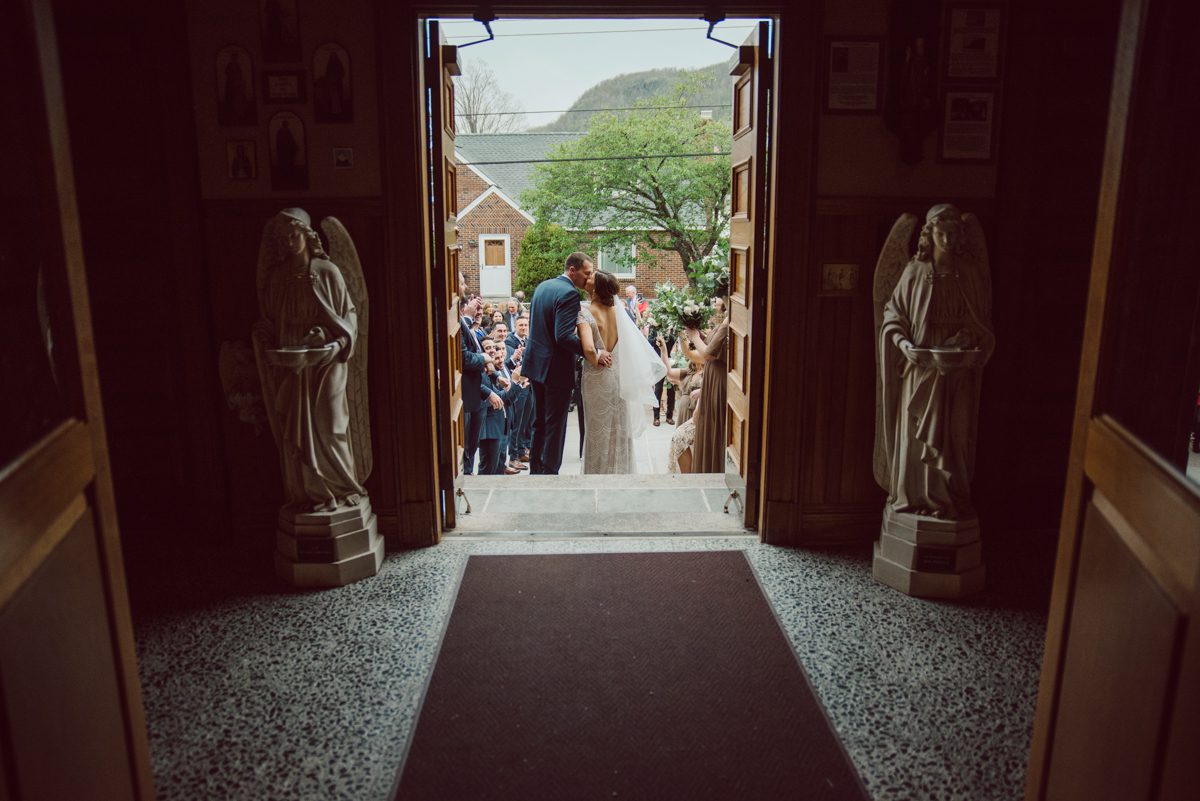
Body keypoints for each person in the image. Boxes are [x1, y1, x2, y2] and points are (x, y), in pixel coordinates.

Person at [878, 204, 994, 519]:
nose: (945, 238)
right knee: (917, 438)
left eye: (952, 233)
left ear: (959, 236)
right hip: (920, 369)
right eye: (939, 232)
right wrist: (904, 345)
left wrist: (966, 340)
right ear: (929, 235)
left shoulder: (968, 274)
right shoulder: (914, 272)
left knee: (956, 436)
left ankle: (948, 502)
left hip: (958, 373)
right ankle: (915, 501)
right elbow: (893, 316)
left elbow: (980, 325)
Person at [252, 208, 363, 511]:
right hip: (292, 361)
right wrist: (263, 336)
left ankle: (341, 488)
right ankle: (308, 494)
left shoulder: (327, 272)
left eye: (294, 234)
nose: (289, 242)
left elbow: (348, 315)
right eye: (284, 237)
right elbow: (271, 321)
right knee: (295, 430)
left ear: (306, 234)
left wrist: (334, 340)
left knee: (328, 423)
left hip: (327, 362)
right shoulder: (278, 277)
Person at [522, 252, 611, 474]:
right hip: (555, 370)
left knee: (539, 421)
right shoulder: (570, 293)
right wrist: (594, 353)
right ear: (573, 270)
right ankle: (550, 473)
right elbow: (562, 335)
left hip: (535, 365)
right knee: (555, 424)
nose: (588, 278)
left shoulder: (543, 287)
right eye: (586, 273)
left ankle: (535, 470)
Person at [577, 270, 668, 474]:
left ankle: (598, 475)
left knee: (597, 429)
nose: (587, 278)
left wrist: (594, 353)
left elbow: (589, 349)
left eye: (591, 277)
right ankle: (620, 471)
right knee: (619, 426)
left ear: (597, 288)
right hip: (618, 375)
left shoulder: (584, 313)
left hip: (597, 376)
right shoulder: (619, 313)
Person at [686, 296, 730, 473]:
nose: (716, 302)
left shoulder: (730, 320)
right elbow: (710, 345)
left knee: (714, 426)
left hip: (719, 381)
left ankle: (714, 468)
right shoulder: (726, 319)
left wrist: (694, 336)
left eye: (718, 298)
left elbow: (708, 354)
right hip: (711, 378)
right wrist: (694, 333)